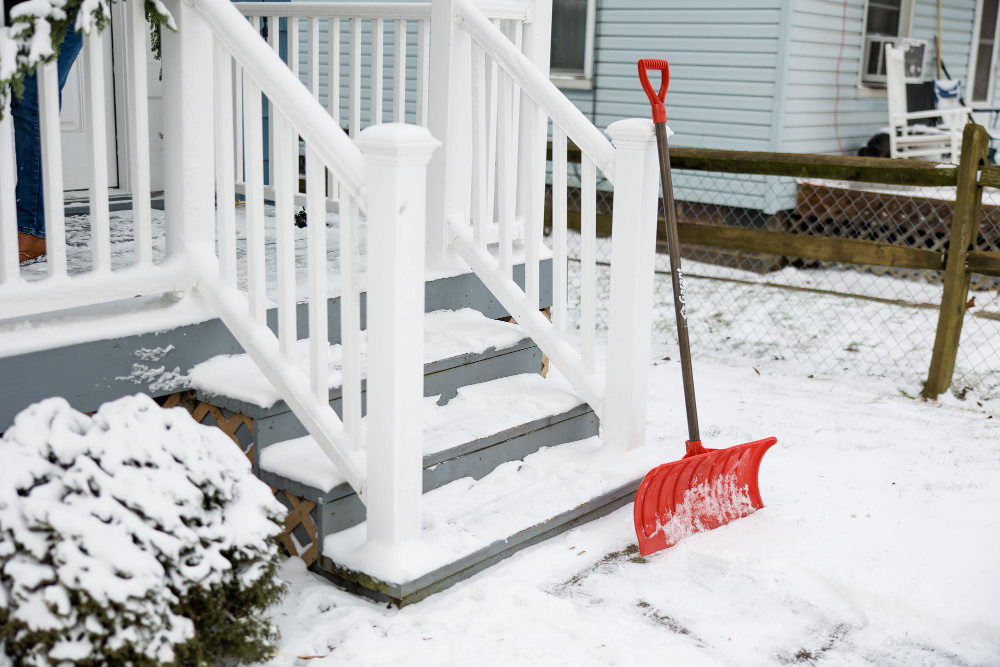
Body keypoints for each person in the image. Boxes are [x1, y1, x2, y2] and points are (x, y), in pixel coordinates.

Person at [5, 0, 84, 263]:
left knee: (32, 103)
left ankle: (32, 231)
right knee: (31, 104)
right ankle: (29, 226)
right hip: (24, 17)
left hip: (53, 12)